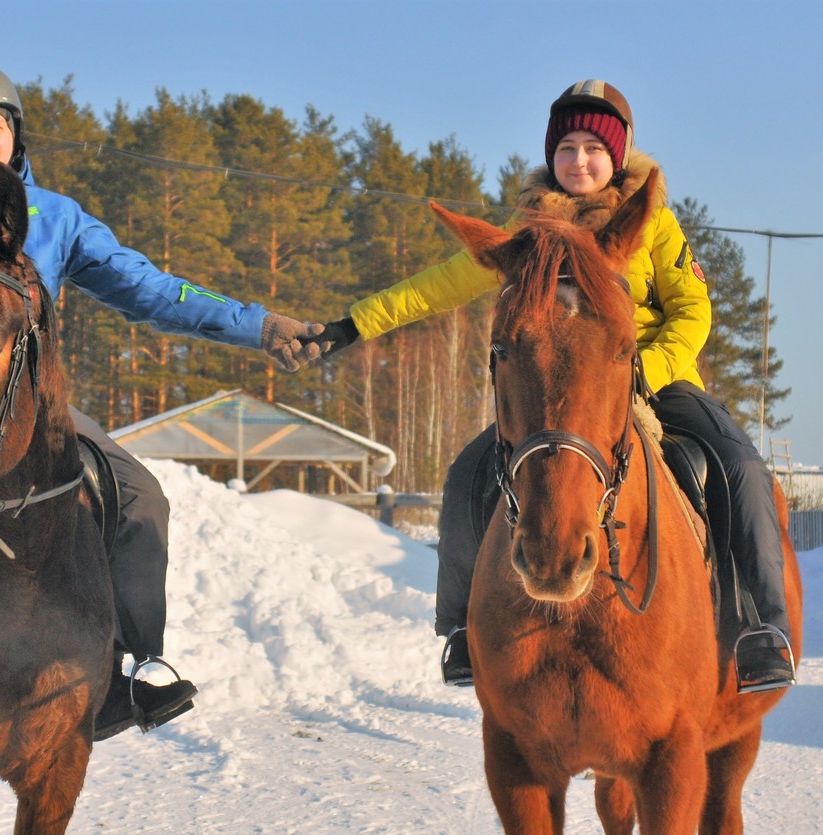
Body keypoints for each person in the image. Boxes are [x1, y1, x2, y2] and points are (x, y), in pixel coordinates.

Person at [0, 64, 323, 746]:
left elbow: (150, 289)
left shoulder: (57, 218)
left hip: (30, 409)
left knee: (141, 499)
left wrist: (259, 326)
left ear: (15, 136)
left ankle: (133, 666)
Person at [315, 79, 795, 693]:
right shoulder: (528, 234)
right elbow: (440, 284)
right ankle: (461, 629)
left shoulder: (652, 223)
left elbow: (693, 309)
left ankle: (761, 626)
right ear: (551, 156)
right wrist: (353, 324)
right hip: (556, 396)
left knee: (740, 467)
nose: (579, 161)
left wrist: (646, 368)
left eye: (594, 149)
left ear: (617, 157)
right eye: (566, 148)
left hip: (655, 380)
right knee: (466, 475)